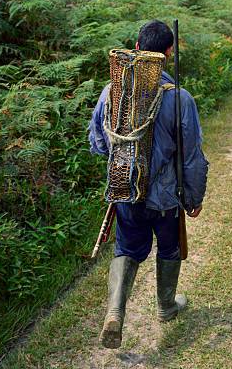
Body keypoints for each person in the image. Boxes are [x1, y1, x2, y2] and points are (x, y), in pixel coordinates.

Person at [88, 20, 209, 349]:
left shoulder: (112, 91)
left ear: (137, 48)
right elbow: (191, 157)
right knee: (168, 249)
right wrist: (194, 197)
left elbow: (98, 143)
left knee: (127, 249)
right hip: (165, 199)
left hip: (125, 193)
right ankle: (166, 306)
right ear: (168, 53)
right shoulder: (180, 98)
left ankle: (115, 312)